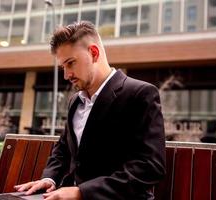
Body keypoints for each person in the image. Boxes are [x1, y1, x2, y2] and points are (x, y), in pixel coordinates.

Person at [15, 21, 166, 200]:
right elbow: (63, 149)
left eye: (71, 63)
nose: (66, 75)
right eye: (63, 67)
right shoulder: (75, 101)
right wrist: (50, 178)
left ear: (94, 53)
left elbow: (150, 166)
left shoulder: (140, 94)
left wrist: (81, 192)